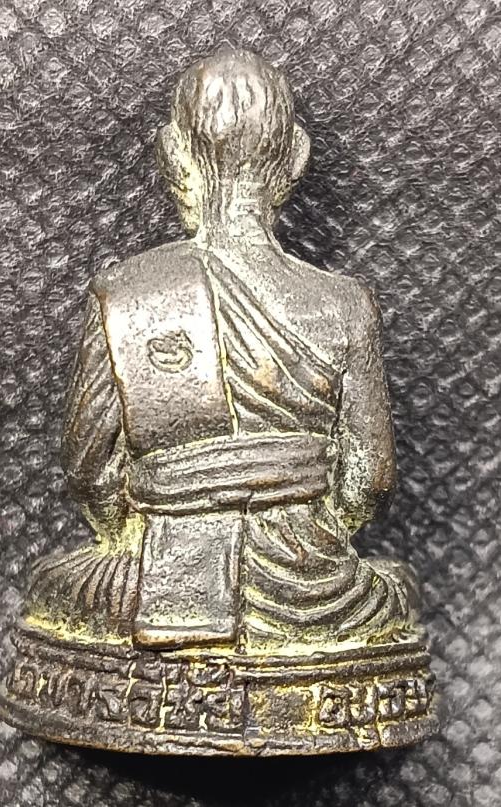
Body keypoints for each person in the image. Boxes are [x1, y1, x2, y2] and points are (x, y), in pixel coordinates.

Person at [27, 48, 417, 652]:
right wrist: (313, 531)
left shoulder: (125, 294)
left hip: (155, 573)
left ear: (172, 152)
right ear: (297, 155)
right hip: (311, 582)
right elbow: (370, 481)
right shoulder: (345, 304)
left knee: (55, 585)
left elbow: (89, 472)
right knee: (395, 592)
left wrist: (140, 533)